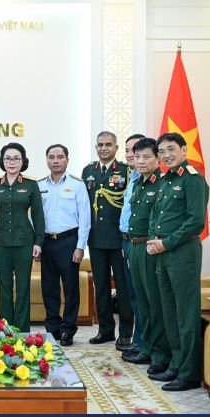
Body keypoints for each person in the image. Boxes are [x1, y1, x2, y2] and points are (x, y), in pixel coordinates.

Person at [145, 132, 209, 391]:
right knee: (168, 311)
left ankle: (189, 372)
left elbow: (195, 221)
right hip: (161, 252)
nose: (166, 155)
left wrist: (166, 243)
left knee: (185, 313)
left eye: (171, 149)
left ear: (184, 150)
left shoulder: (193, 180)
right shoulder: (164, 180)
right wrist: (153, 239)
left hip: (182, 253)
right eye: (162, 151)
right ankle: (175, 363)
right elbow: (155, 215)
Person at [120, 138, 171, 375]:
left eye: (146, 157)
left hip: (151, 247)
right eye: (137, 157)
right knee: (142, 302)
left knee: (154, 302)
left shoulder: (161, 183)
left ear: (157, 158)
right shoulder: (138, 183)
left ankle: (160, 354)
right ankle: (147, 347)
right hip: (135, 245)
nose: (140, 161)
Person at [0, 142, 44, 334]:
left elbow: (38, 215)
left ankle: (22, 330)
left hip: (24, 242)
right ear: (2, 161)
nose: (11, 162)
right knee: (4, 286)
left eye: (16, 158)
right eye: (7, 158)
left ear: (23, 161)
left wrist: (38, 242)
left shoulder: (30, 185)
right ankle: (6, 329)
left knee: (23, 286)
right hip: (0, 243)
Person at [82, 131, 134, 349]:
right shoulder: (88, 171)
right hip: (96, 239)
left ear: (116, 148)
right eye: (100, 145)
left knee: (122, 287)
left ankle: (125, 333)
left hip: (118, 239)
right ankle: (105, 330)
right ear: (96, 147)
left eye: (108, 145)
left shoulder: (125, 171)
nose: (104, 148)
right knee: (101, 286)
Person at [38, 144, 91, 346]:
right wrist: (37, 243)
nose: (56, 161)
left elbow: (85, 218)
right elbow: (36, 217)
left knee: (70, 289)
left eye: (60, 157)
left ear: (67, 159)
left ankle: (68, 328)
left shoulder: (77, 185)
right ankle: (53, 328)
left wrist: (80, 247)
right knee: (49, 288)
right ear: (47, 160)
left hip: (69, 242)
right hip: (46, 243)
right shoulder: (40, 185)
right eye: (52, 157)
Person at [118, 133, 146, 357]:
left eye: (135, 151)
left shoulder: (151, 180)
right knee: (134, 296)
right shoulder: (133, 178)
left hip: (143, 244)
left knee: (144, 297)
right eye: (128, 151)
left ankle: (144, 343)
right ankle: (139, 342)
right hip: (128, 242)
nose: (131, 155)